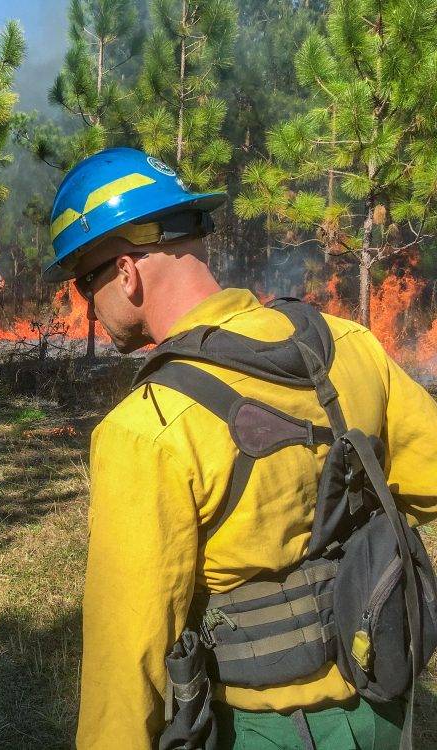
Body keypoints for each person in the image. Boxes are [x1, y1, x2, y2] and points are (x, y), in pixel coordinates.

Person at [43, 147, 437, 749]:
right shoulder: (348, 345)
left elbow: (126, 661)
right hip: (388, 710)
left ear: (125, 273)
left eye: (82, 282)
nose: (87, 305)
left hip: (267, 732)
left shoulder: (148, 428)